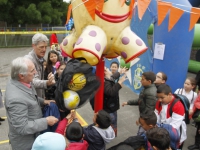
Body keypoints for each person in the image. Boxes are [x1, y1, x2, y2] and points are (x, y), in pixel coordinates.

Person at [4, 57, 58, 150]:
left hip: (34, 137)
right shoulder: (16, 99)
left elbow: (31, 97)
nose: (36, 72)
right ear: (21, 75)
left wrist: (43, 101)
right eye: (32, 70)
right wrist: (46, 121)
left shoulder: (21, 81)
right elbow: (22, 127)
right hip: (26, 144)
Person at [90, 67, 127, 136]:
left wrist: (120, 72)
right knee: (110, 123)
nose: (108, 69)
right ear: (105, 73)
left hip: (109, 107)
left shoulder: (106, 79)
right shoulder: (105, 82)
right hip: (108, 109)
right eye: (106, 69)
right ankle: (109, 135)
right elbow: (111, 92)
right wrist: (119, 83)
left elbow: (113, 77)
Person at [155, 84, 186, 149]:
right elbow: (156, 115)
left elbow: (174, 126)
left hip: (174, 134)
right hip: (162, 132)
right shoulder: (159, 102)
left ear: (169, 94)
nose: (159, 100)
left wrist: (159, 130)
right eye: (158, 97)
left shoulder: (178, 106)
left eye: (162, 97)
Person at [24, 33, 55, 98]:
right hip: (31, 100)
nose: (44, 50)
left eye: (45, 47)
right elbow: (32, 81)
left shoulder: (40, 59)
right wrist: (47, 83)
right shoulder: (29, 61)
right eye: (41, 47)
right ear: (33, 46)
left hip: (39, 99)